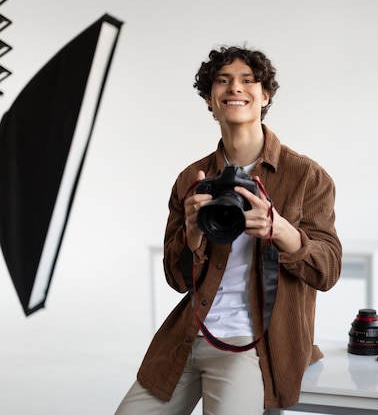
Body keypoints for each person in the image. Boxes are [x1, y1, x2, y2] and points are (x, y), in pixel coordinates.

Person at [115, 45, 342, 415]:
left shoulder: (305, 176)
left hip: (250, 344)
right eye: (223, 81)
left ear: (264, 94)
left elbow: (328, 270)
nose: (235, 88)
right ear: (210, 98)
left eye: (247, 81)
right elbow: (176, 279)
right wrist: (192, 233)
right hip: (187, 337)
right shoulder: (192, 178)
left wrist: (280, 230)